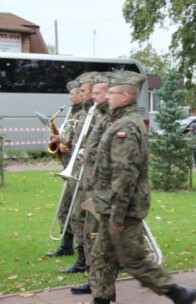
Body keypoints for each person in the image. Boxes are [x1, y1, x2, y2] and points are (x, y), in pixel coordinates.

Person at [89, 71, 196, 304]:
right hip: (111, 205)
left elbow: (125, 175)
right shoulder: (121, 121)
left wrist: (117, 216)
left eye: (112, 93)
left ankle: (177, 292)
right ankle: (101, 300)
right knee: (101, 258)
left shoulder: (126, 128)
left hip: (122, 208)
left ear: (126, 97)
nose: (107, 97)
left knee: (133, 259)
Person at [70, 72, 110, 294]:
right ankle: (93, 275)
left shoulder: (109, 118)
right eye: (90, 92)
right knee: (87, 227)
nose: (92, 97)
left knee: (101, 234)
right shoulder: (97, 115)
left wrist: (91, 157)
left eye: (96, 93)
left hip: (100, 182)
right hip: (88, 177)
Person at [60, 72, 98, 274]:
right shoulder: (88, 113)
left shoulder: (96, 114)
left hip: (91, 174)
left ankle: (87, 259)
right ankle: (82, 257)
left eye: (83, 90)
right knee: (76, 216)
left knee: (82, 217)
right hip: (80, 170)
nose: (79, 94)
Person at [45, 79, 85, 258]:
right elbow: (68, 134)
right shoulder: (71, 112)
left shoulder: (84, 113)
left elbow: (82, 139)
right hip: (69, 165)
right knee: (64, 209)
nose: (70, 96)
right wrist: (58, 140)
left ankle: (82, 252)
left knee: (76, 211)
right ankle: (67, 245)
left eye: (73, 93)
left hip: (78, 169)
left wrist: (66, 144)